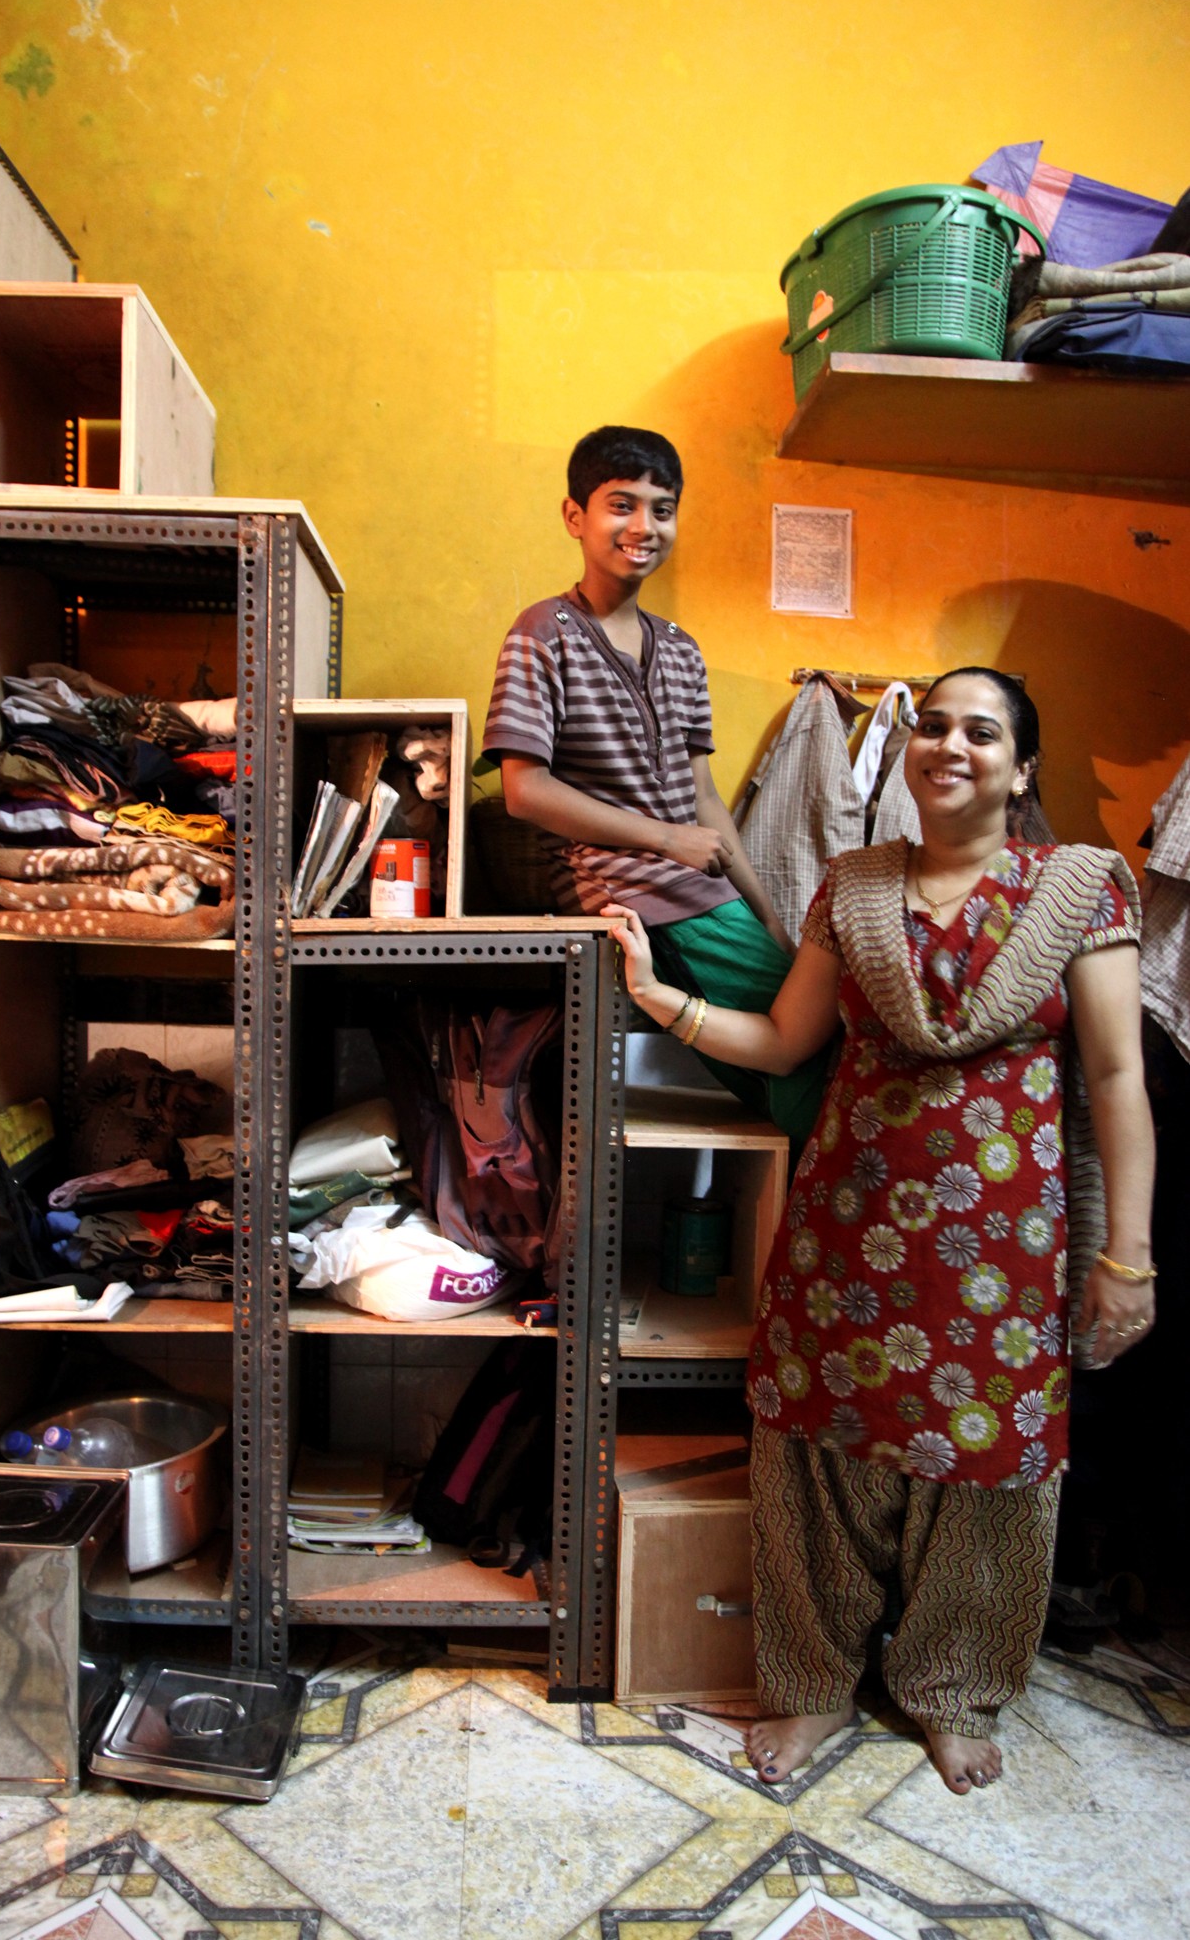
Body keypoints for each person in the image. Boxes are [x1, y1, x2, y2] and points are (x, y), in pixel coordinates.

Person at [604, 667, 1155, 1795]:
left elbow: (1113, 1077)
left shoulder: (1078, 887)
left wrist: (1128, 1257)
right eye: (933, 726)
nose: (949, 745)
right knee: (821, 1458)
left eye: (981, 732)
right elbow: (783, 1041)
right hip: (845, 1237)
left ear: (1021, 768)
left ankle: (952, 1687)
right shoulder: (854, 887)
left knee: (989, 1472)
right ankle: (810, 1683)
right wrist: (661, 999)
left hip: (1003, 1252)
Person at [482, 423, 828, 1142]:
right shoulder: (542, 632)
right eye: (621, 505)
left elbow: (702, 797)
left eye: (661, 509)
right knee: (817, 1057)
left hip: (706, 895)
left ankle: (813, 1183)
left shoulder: (680, 649)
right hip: (631, 892)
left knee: (803, 1054)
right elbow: (525, 791)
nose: (643, 526)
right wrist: (667, 841)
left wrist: (766, 915)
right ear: (574, 516)